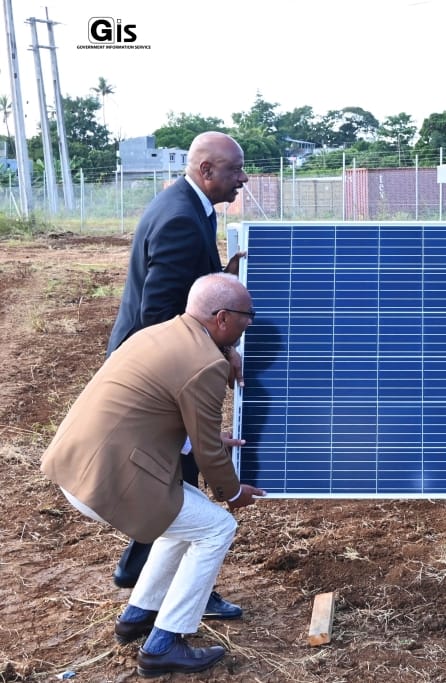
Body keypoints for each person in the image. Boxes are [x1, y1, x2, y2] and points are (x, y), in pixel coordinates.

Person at [41, 273, 266, 677]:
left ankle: (138, 614)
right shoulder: (205, 363)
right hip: (108, 480)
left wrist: (209, 438)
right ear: (221, 318)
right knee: (218, 527)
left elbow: (157, 410)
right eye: (247, 317)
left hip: (81, 463)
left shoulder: (160, 334)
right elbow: (208, 453)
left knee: (185, 520)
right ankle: (164, 643)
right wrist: (232, 493)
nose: (250, 323)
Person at [107, 131, 250, 622]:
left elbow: (189, 291)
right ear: (207, 171)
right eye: (235, 170)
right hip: (158, 374)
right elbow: (160, 312)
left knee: (174, 479)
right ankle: (180, 593)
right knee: (180, 483)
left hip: (159, 366)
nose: (243, 179)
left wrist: (221, 275)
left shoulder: (186, 206)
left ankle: (139, 571)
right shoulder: (180, 221)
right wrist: (215, 351)